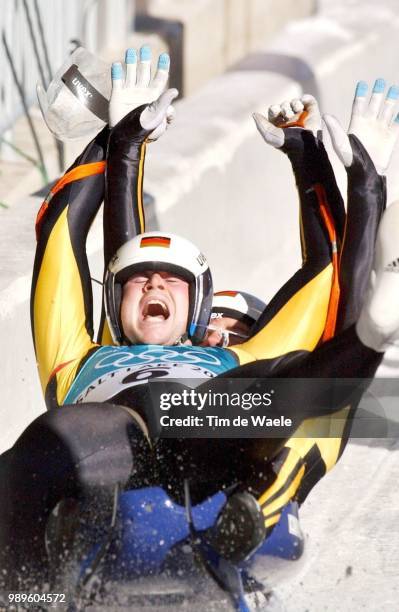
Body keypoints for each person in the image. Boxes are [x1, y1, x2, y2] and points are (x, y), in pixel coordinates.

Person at [1, 49, 398, 590]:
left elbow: (326, 280)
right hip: (112, 440)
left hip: (214, 432)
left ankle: (370, 342)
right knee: (51, 438)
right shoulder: (79, 355)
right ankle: (24, 584)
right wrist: (117, 139)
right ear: (114, 304)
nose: (155, 284)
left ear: (200, 310)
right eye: (139, 280)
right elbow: (60, 235)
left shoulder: (235, 354)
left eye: (172, 281)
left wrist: (354, 181)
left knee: (290, 374)